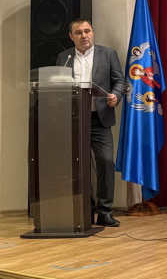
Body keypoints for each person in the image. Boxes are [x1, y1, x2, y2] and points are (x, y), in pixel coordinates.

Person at [56, 19, 125, 227]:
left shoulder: (108, 54)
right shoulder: (64, 57)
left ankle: (105, 211)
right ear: (71, 37)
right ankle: (85, 209)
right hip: (74, 120)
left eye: (87, 31)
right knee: (78, 165)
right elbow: (58, 85)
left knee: (105, 161)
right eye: (78, 32)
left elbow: (120, 81)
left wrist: (115, 95)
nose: (84, 35)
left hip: (99, 119)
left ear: (93, 33)